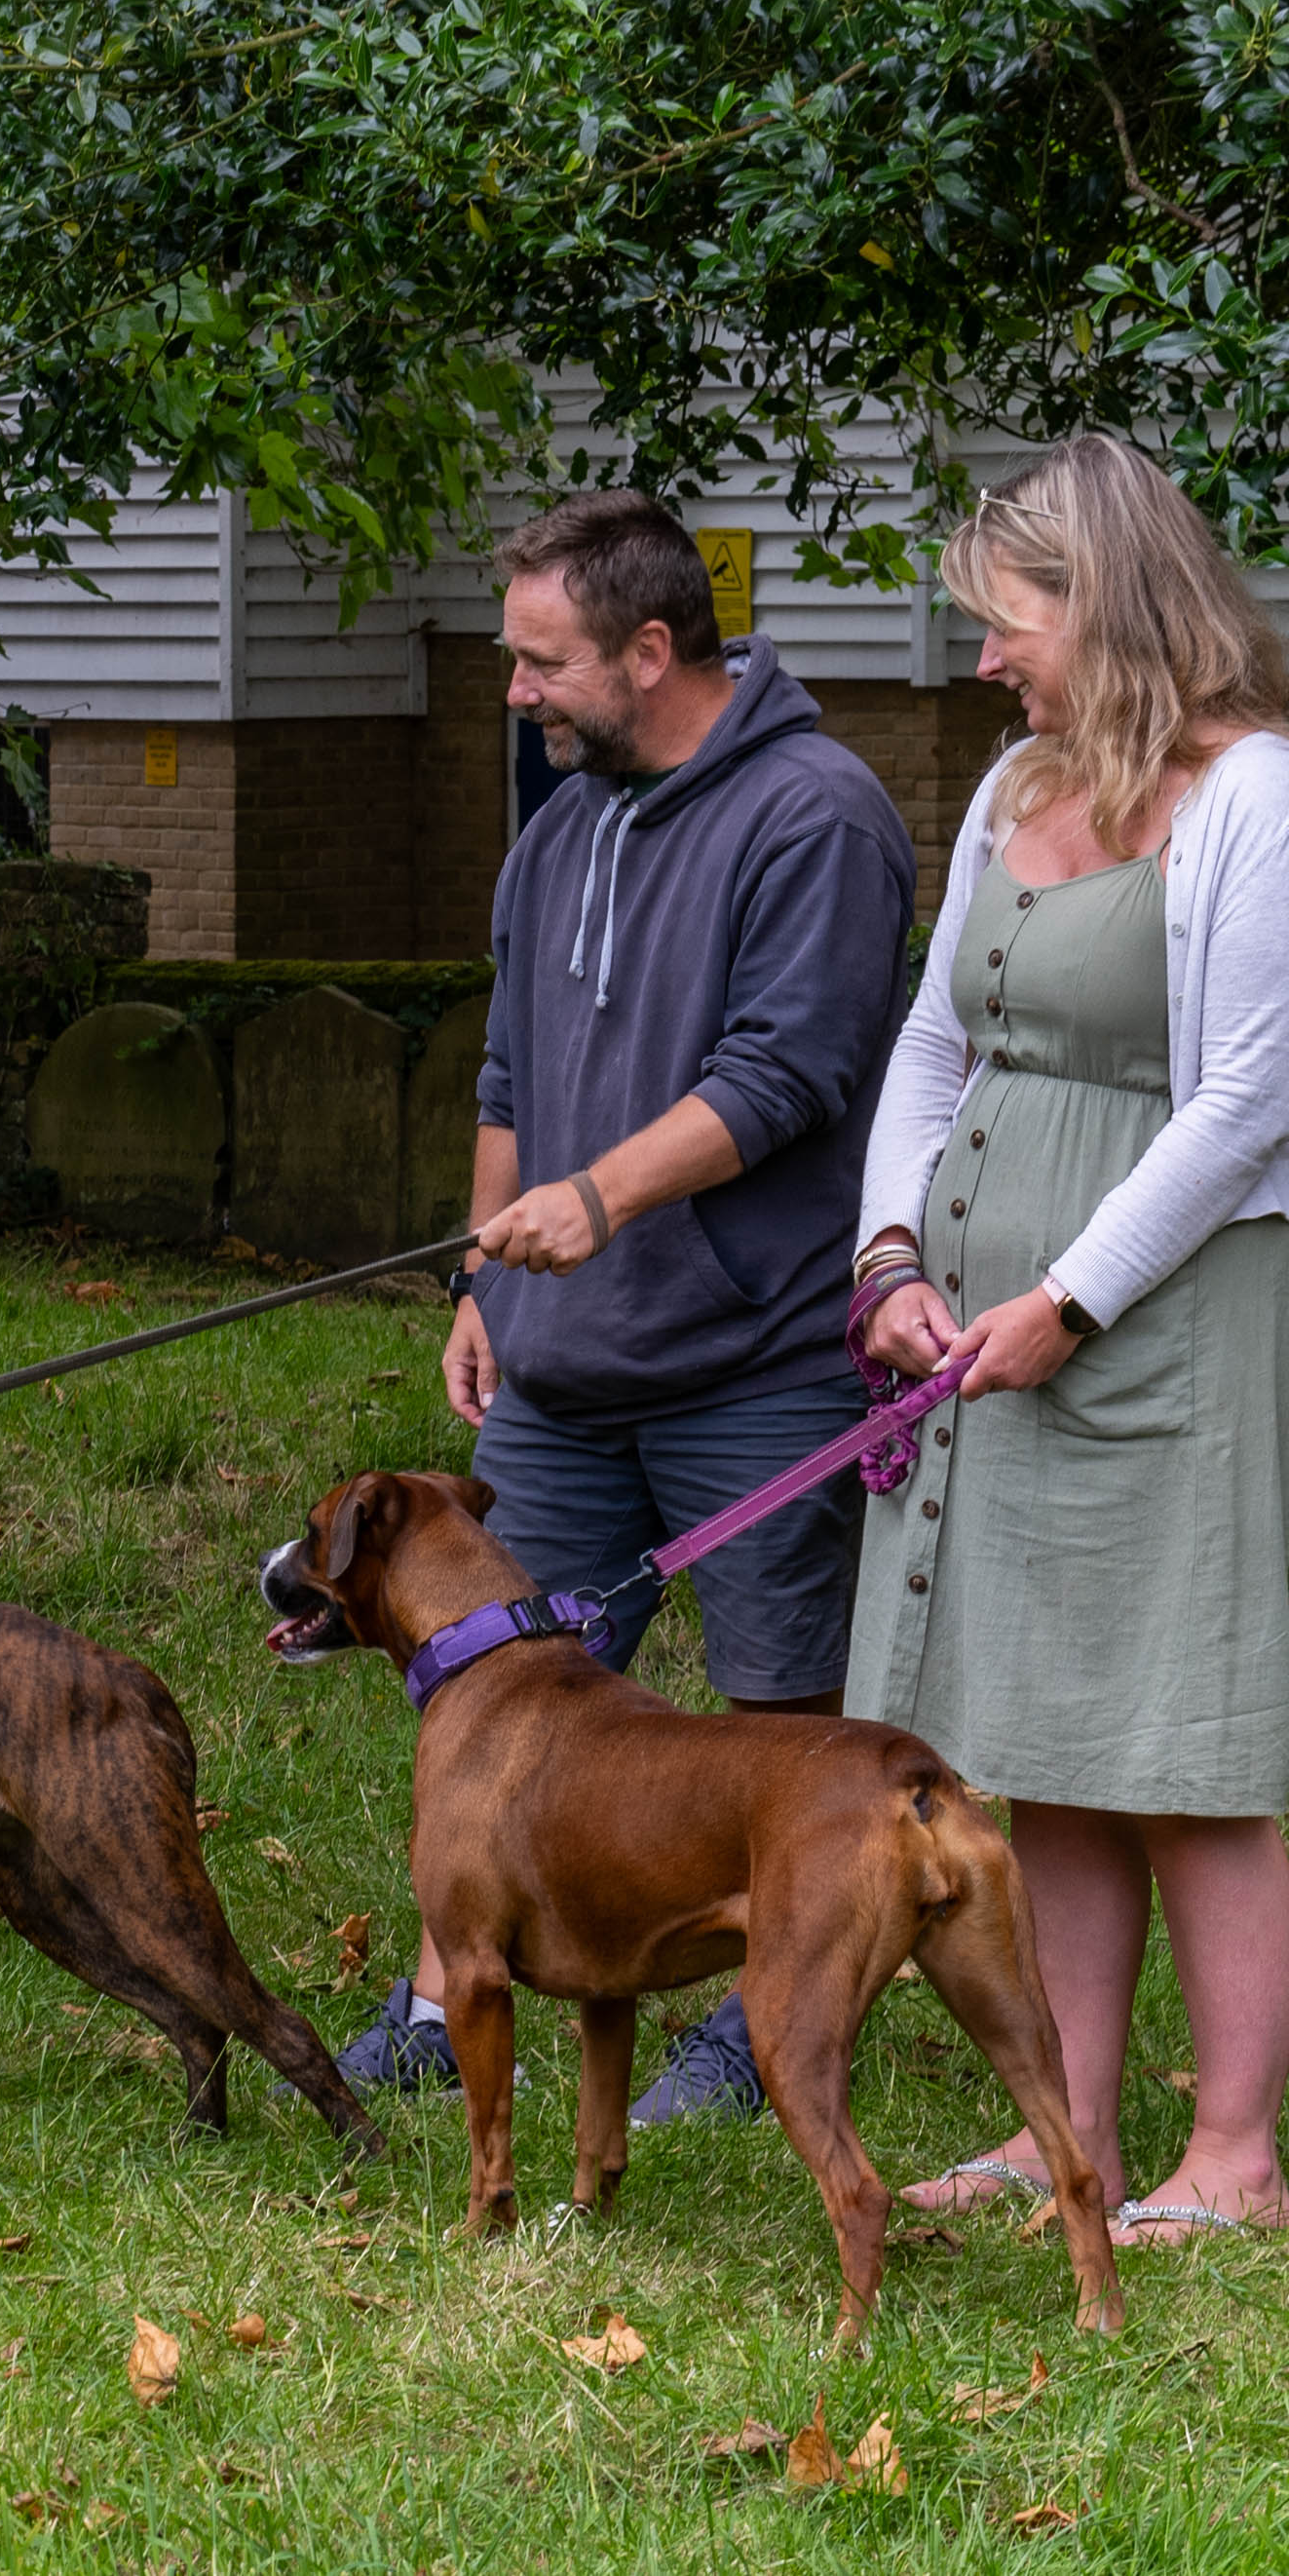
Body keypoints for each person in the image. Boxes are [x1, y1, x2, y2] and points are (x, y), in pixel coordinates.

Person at [854, 435, 1289, 2243]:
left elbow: (1244, 1107)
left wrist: (1071, 1297)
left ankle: (1236, 2156)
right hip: (983, 1327)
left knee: (1184, 1748)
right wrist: (891, 1253)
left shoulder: (1258, 801)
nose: (988, 658)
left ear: (1113, 607)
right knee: (1042, 1738)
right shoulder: (1010, 787)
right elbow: (931, 1049)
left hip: (1167, 1318)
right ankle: (1054, 2126)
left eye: (1012, 621)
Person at [371, 490, 916, 2124]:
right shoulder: (559, 828)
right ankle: (430, 1999)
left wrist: (599, 1198)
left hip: (749, 1355)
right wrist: (485, 1263)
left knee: (778, 1714)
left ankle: (761, 2019)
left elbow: (790, 1074)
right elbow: (509, 1073)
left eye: (542, 663)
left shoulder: (816, 817)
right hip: (557, 1368)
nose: (515, 694)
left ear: (652, 650)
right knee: (492, 1698)